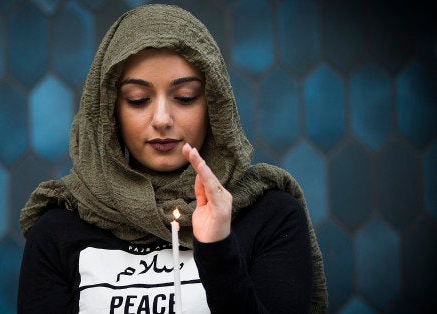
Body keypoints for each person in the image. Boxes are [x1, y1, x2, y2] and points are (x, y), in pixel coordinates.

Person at [17, 4, 327, 313]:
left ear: (214, 107)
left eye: (185, 97)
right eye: (138, 100)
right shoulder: (58, 229)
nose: (162, 119)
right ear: (111, 112)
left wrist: (218, 248)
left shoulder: (270, 216)